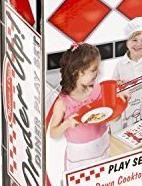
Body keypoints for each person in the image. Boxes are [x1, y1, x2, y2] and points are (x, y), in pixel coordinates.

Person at [49, 43, 121, 171]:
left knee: (104, 178)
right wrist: (67, 123)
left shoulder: (98, 90)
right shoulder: (63, 103)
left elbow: (113, 118)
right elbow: (53, 133)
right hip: (79, 157)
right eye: (94, 69)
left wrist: (118, 105)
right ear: (78, 73)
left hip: (102, 146)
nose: (98, 72)